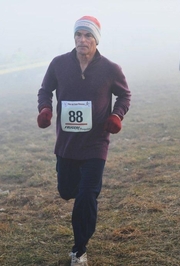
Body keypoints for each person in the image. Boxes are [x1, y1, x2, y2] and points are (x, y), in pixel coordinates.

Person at [37, 16, 131, 265]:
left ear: (96, 39)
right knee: (67, 191)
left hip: (96, 143)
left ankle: (79, 250)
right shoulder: (58, 64)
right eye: (78, 34)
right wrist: (45, 109)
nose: (82, 40)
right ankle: (73, 192)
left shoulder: (110, 69)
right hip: (66, 144)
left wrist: (116, 115)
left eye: (88, 35)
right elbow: (45, 90)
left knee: (87, 195)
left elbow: (124, 95)